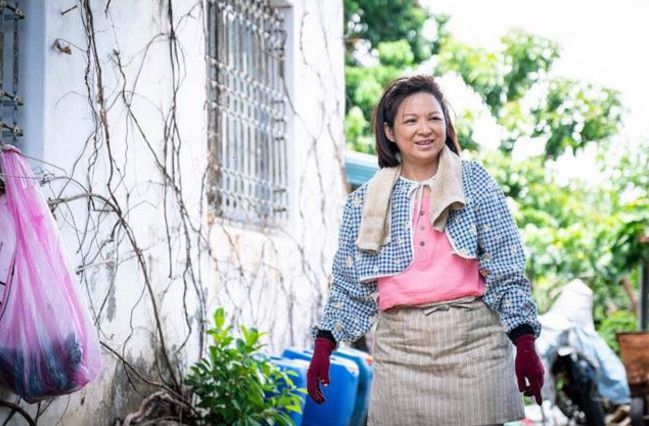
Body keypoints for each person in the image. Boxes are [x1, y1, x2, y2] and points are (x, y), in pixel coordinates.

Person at [308, 74, 545, 425]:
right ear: (389, 131)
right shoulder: (362, 203)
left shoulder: (474, 181)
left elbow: (505, 266)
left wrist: (525, 342)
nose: (425, 129)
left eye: (434, 118)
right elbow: (348, 286)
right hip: (400, 353)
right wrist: (324, 347)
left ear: (446, 124)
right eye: (411, 120)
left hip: (474, 347)